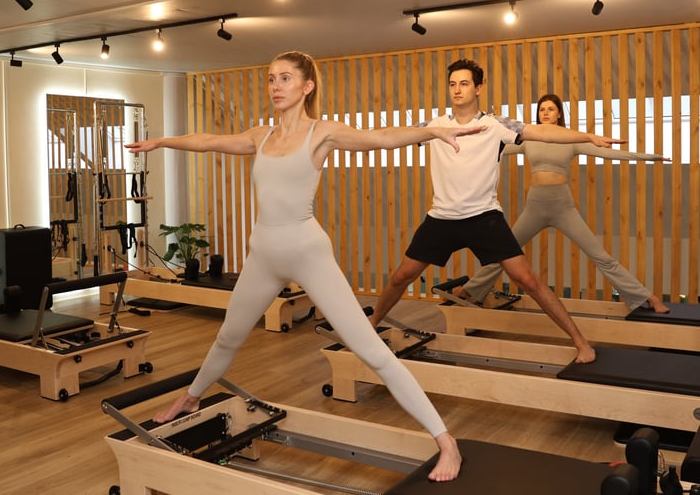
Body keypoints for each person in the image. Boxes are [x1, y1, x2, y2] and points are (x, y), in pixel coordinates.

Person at [125, 51, 488, 482]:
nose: (275, 86)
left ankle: (446, 441)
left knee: (369, 349)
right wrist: (162, 142)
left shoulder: (323, 133)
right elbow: (209, 140)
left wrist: (430, 131)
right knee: (228, 336)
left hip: (307, 251)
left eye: (284, 78)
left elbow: (379, 137)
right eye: (270, 78)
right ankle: (190, 398)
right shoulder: (259, 135)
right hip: (262, 254)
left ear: (306, 86)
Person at [368, 59, 626, 364]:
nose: (457, 90)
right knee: (401, 276)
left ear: (478, 88)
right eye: (452, 84)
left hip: (483, 217)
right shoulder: (434, 127)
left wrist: (589, 137)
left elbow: (542, 133)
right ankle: (370, 327)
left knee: (528, 280)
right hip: (442, 218)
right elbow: (387, 137)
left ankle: (581, 342)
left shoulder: (495, 125)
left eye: (464, 84)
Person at [458, 93, 670, 312]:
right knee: (504, 252)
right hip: (535, 207)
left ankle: (647, 297)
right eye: (542, 110)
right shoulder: (528, 138)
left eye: (550, 109)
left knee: (600, 255)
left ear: (559, 113)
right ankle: (471, 291)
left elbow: (612, 154)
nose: (546, 113)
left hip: (562, 207)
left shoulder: (571, 139)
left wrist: (651, 157)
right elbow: (494, 147)